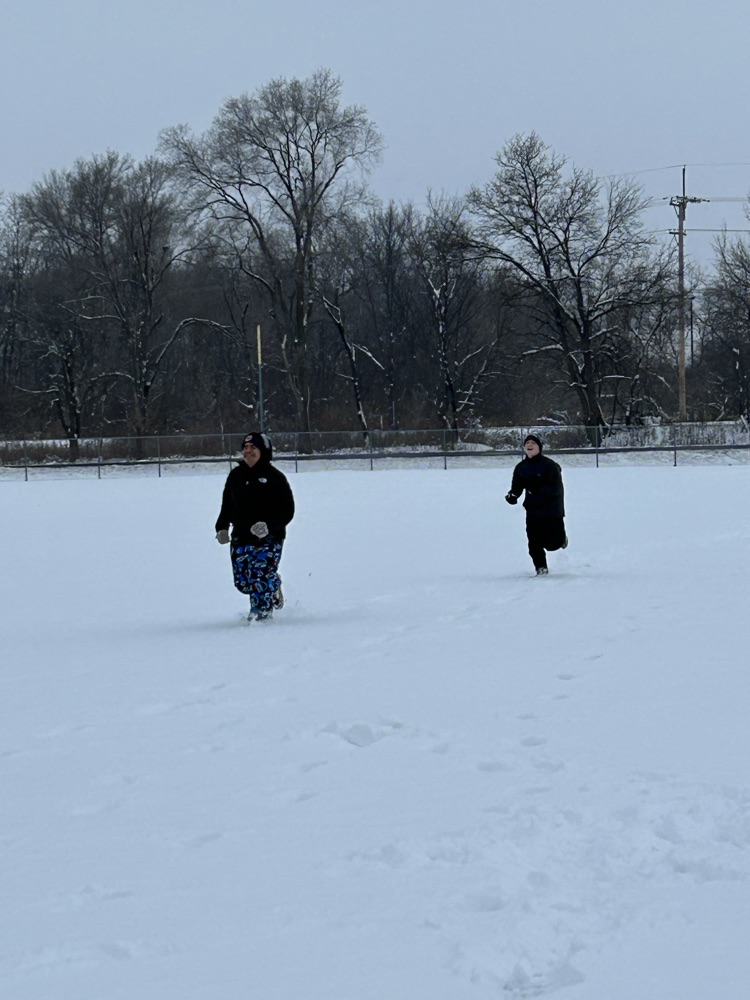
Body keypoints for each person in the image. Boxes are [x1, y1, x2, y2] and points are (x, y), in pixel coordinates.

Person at [215, 432, 295, 621]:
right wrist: (222, 527)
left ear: (263, 451)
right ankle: (274, 585)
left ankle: (261, 614)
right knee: (244, 582)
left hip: (269, 538)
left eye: (254, 448)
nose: (248, 451)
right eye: (246, 448)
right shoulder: (236, 476)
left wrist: (269, 526)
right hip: (241, 536)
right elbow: (227, 504)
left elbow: (287, 509)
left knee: (260, 575)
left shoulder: (275, 477)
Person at [505, 434, 567, 576]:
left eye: (533, 443)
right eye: (527, 443)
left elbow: (556, 489)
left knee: (553, 543)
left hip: (552, 510)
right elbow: (517, 487)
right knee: (534, 542)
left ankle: (562, 539)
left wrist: (537, 488)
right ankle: (541, 567)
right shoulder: (521, 467)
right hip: (533, 511)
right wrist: (512, 496)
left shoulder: (550, 466)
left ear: (539, 447)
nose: (530, 445)